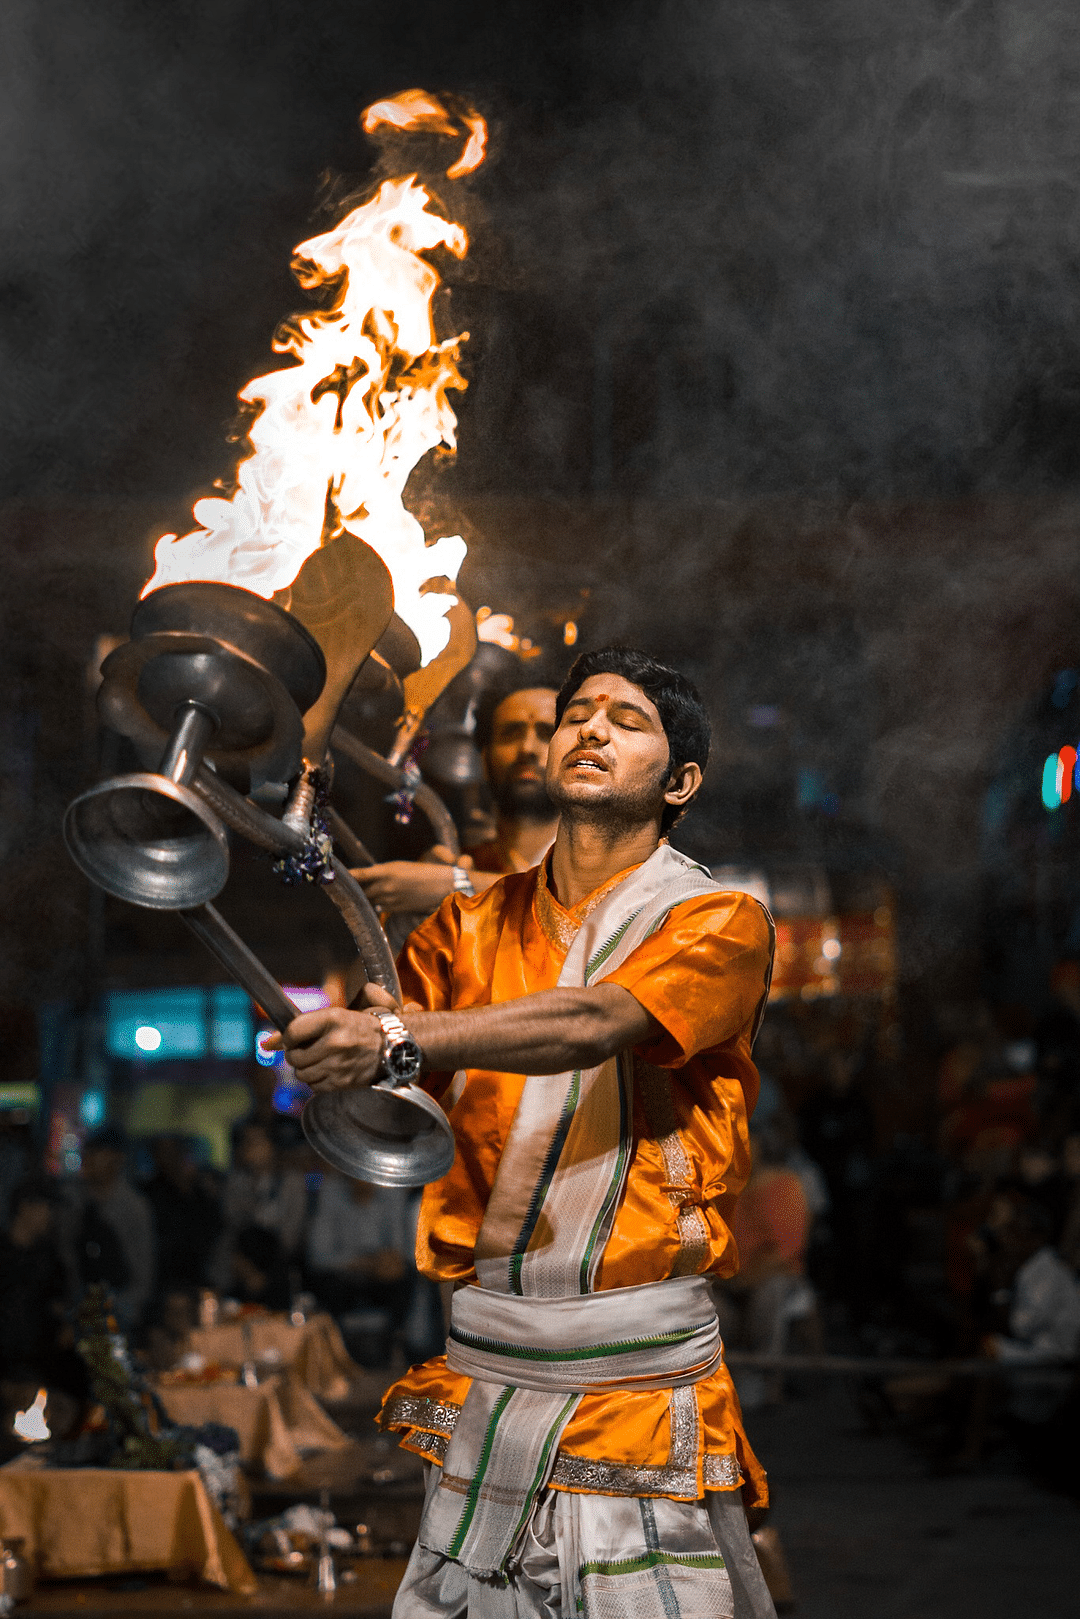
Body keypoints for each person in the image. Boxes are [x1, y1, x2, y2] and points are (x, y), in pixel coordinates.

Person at [275, 646, 778, 1619]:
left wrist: (393, 1034)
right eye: (575, 714)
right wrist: (347, 1039)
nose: (586, 727)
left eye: (625, 719)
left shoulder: (720, 918)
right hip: (488, 1364)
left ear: (680, 781)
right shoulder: (467, 926)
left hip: (632, 1378)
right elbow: (396, 1083)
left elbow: (595, 1022)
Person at [353, 683, 561, 918]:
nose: (527, 748)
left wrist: (458, 886)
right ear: (483, 758)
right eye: (510, 734)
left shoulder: (601, 868)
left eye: (547, 734)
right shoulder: (460, 863)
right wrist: (415, 917)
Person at [57, 1125, 155, 1334]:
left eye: (97, 1153)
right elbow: (67, 1259)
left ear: (116, 1159)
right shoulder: (72, 1200)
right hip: (78, 1309)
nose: (89, 1159)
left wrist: (118, 1313)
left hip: (119, 1314)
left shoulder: (133, 1207)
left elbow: (142, 1272)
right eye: (88, 1153)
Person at [210, 1119, 306, 1310]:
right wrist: (247, 1270)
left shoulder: (292, 1182)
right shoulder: (235, 1183)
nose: (250, 1148)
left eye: (257, 1142)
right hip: (241, 1264)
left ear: (272, 1145)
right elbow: (232, 1228)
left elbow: (291, 1235)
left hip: (278, 1264)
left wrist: (264, 1272)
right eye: (247, 1142)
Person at [0, 1176, 68, 1384]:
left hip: (38, 1365)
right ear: (25, 1208)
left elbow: (57, 1302)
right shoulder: (4, 1253)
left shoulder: (49, 1257)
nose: (50, 1216)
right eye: (46, 1208)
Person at [141, 1136, 222, 1301]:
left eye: (172, 1152)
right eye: (162, 1153)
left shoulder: (201, 1193)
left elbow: (214, 1230)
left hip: (198, 1275)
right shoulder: (149, 1195)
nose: (168, 1158)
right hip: (162, 1280)